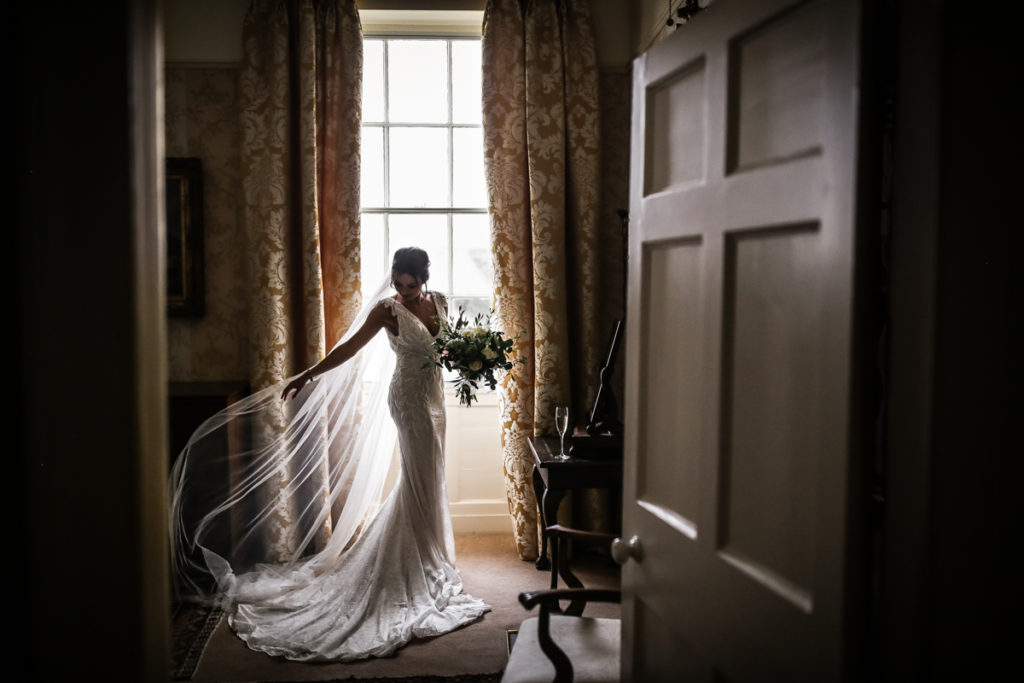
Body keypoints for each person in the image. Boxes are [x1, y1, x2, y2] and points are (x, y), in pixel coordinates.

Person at [169, 247, 490, 662]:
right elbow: (351, 349)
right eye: (398, 283)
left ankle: (430, 554)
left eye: (412, 286)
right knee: (416, 475)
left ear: (424, 280)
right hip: (408, 400)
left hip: (435, 398)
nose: (405, 292)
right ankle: (412, 561)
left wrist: (472, 356)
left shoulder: (440, 301)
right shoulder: (387, 311)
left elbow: (447, 346)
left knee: (432, 475)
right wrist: (309, 374)